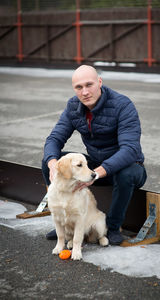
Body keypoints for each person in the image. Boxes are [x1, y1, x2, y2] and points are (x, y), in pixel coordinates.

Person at [42, 65, 147, 245]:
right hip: (95, 165)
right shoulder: (73, 106)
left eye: (89, 85)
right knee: (52, 161)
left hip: (128, 168)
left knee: (127, 173)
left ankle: (113, 227)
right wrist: (52, 163)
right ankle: (64, 221)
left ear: (99, 82)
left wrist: (97, 173)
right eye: (79, 87)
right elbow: (54, 138)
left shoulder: (123, 105)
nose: (84, 92)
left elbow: (130, 150)